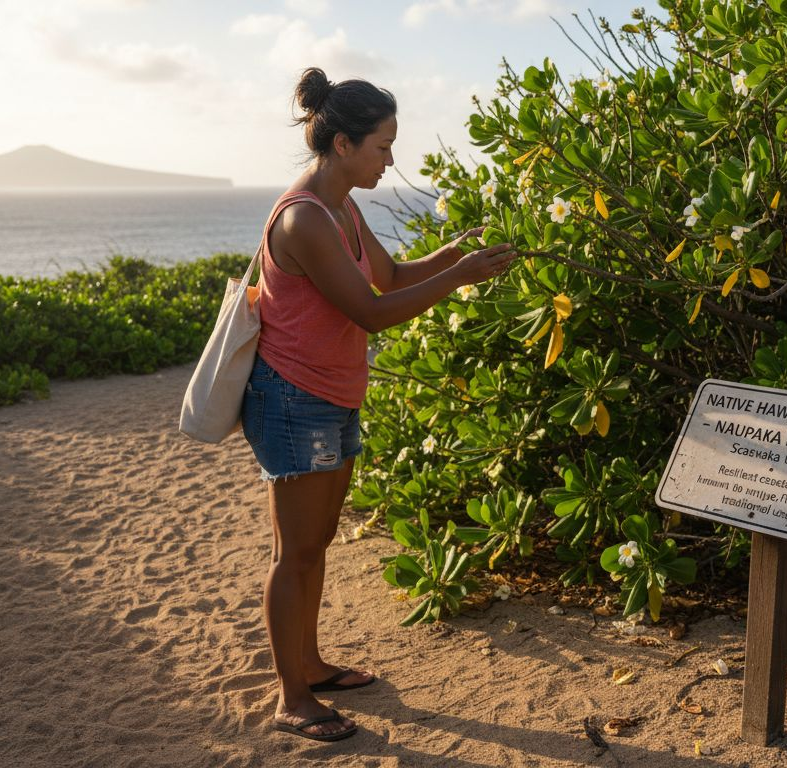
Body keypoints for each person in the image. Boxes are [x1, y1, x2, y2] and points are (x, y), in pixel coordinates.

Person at [241, 67, 517, 742]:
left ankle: (309, 665)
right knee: (295, 552)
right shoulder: (306, 216)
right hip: (292, 399)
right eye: (382, 145)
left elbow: (388, 277)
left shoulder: (343, 205)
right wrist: (459, 278)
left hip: (331, 395)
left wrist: (449, 256)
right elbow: (370, 312)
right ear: (342, 145)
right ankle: (290, 697)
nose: (391, 158)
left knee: (317, 543)